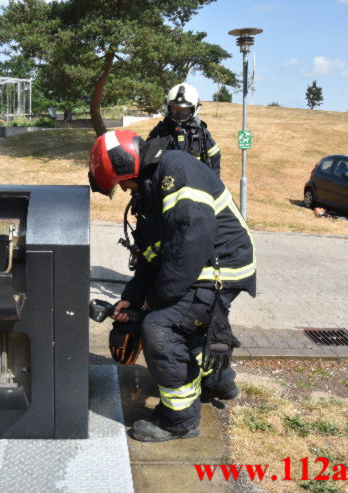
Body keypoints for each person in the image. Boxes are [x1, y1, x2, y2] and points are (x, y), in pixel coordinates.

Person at [89, 130, 256, 442]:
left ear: (126, 165)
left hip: (220, 266)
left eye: (120, 182)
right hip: (203, 266)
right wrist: (132, 298)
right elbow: (152, 258)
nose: (124, 189)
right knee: (186, 323)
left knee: (160, 328)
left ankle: (179, 421)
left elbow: (190, 244)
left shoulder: (175, 172)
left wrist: (154, 301)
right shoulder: (153, 191)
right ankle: (219, 381)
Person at [147, 83, 221, 174]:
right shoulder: (159, 131)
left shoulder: (201, 133)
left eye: (184, 110)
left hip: (194, 185)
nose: (179, 114)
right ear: (168, 108)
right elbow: (146, 160)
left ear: (194, 109)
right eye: (175, 109)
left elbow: (214, 162)